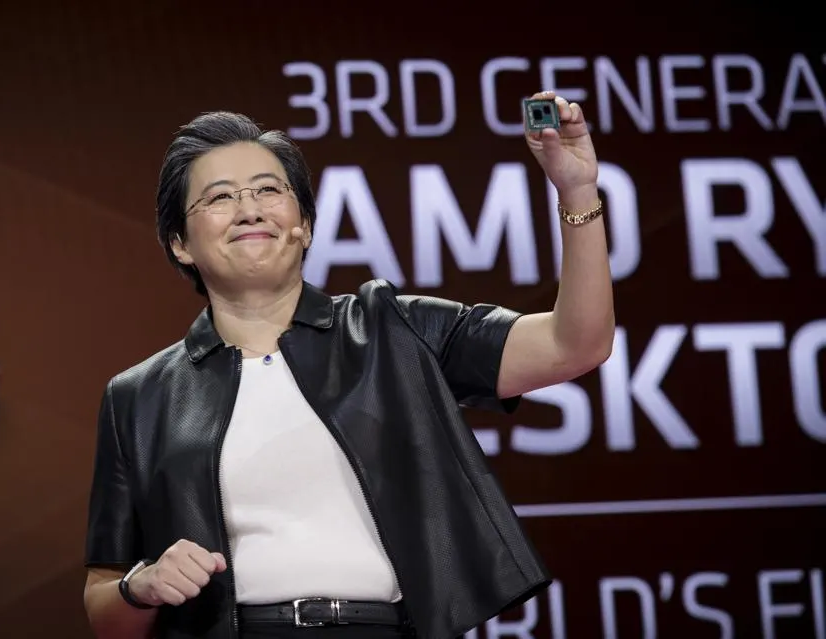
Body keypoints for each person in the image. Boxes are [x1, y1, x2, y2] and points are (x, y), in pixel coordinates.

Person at [82, 90, 615, 639]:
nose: (250, 208)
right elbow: (105, 610)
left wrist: (577, 191)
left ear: (306, 225)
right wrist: (141, 586)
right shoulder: (139, 397)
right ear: (180, 243)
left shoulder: (391, 329)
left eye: (269, 189)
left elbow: (575, 344)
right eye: (219, 197)